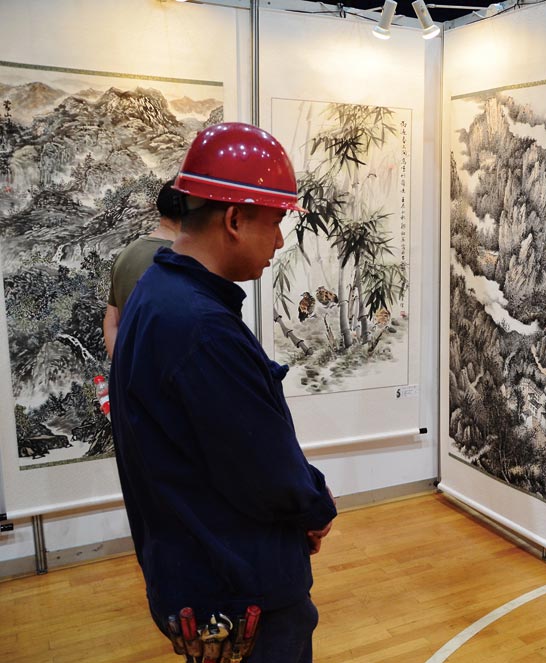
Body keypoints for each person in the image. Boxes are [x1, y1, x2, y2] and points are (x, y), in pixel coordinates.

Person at [109, 122, 337, 662]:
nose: (279, 241)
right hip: (239, 584)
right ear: (234, 219)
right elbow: (262, 466)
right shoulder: (201, 327)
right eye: (275, 222)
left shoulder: (157, 293)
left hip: (198, 572)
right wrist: (313, 506)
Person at [102, 178, 184, 359]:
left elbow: (111, 322)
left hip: (132, 373)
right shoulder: (182, 260)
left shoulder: (126, 254)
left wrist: (123, 369)